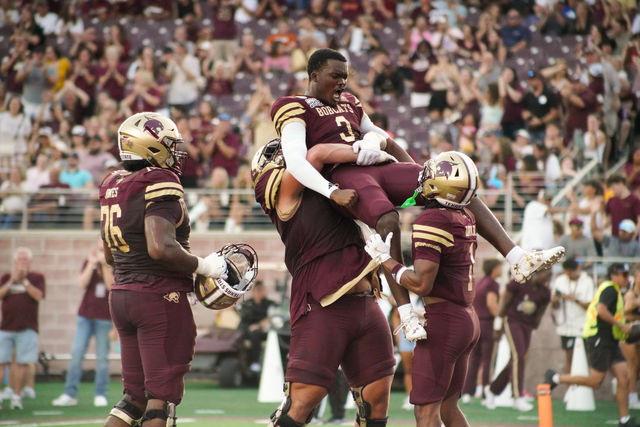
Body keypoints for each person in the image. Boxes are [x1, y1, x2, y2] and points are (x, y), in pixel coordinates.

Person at [271, 48, 565, 342]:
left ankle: (517, 256)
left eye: (345, 77)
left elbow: (382, 137)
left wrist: (419, 172)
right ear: (314, 75)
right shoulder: (293, 106)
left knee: (453, 184)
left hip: (377, 166)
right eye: (335, 76)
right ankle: (407, 314)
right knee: (387, 219)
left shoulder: (349, 101)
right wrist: (331, 191)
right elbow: (297, 161)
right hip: (345, 174)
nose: (342, 83)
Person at [101, 112, 231, 427]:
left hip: (121, 294)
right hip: (158, 297)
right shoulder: (158, 180)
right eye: (169, 144)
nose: (176, 152)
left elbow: (109, 254)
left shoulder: (113, 181)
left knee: (133, 398)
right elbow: (160, 247)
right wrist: (203, 267)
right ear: (151, 146)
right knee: (161, 398)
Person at [252, 139, 395, 427]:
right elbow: (316, 156)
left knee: (376, 403)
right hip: (322, 303)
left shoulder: (334, 186)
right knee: (301, 404)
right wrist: (371, 149)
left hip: (366, 302)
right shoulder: (286, 193)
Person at [363, 151, 481, 427]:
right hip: (465, 318)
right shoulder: (464, 215)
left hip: (446, 321)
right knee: (448, 409)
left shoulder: (433, 220)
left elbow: (421, 282)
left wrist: (386, 260)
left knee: (426, 413)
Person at [545, 263, 637, 427]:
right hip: (599, 338)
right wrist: (621, 326)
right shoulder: (610, 289)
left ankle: (624, 419)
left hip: (611, 340)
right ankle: (555, 378)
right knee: (595, 381)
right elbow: (601, 310)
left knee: (624, 377)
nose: (626, 277)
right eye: (623, 274)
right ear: (613, 275)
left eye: (627, 274)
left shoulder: (614, 289)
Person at [52, 240, 114, 408]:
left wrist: (104, 264)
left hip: (104, 318)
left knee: (102, 358)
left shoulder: (113, 262)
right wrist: (92, 264)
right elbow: (81, 283)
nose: (100, 247)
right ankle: (70, 393)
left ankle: (100, 393)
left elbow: (111, 286)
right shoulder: (89, 261)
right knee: (77, 354)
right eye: (99, 243)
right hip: (85, 316)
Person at [485, 269, 552, 412]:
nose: (548, 278)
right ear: (537, 272)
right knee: (518, 356)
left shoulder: (545, 291)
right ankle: (517, 396)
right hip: (512, 321)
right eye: (546, 274)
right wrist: (498, 324)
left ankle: (492, 390)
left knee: (517, 359)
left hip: (527, 325)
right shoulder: (519, 282)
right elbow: (505, 302)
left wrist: (535, 325)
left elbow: (540, 310)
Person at [0, 247, 45, 410]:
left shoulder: (36, 277)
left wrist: (24, 281)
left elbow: (38, 296)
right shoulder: (6, 277)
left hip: (27, 327)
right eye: (20, 260)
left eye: (25, 260)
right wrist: (12, 280)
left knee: (22, 363)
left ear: (30, 262)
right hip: (6, 327)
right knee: (2, 362)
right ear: (14, 262)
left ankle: (17, 396)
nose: (22, 263)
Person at [461, 258, 503, 403]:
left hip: (475, 323)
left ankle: (467, 392)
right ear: (494, 268)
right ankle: (485, 391)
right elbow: (491, 304)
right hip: (487, 324)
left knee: (473, 360)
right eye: (499, 267)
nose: (501, 270)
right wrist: (501, 318)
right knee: (487, 360)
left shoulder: (479, 282)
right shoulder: (492, 284)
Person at [550, 259, 595, 374]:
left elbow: (590, 305)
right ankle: (569, 387)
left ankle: (584, 384)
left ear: (577, 269)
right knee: (568, 357)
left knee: (584, 358)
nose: (569, 274)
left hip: (583, 326)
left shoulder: (587, 281)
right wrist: (554, 301)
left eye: (571, 271)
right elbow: (555, 306)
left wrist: (572, 299)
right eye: (567, 272)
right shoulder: (560, 280)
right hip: (566, 326)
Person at [239, 281, 276, 373]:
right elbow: (244, 320)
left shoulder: (270, 304)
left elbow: (272, 317)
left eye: (261, 290)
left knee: (256, 334)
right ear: (253, 291)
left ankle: (256, 362)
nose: (259, 292)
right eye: (257, 290)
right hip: (247, 330)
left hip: (263, 331)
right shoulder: (247, 304)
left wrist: (259, 325)